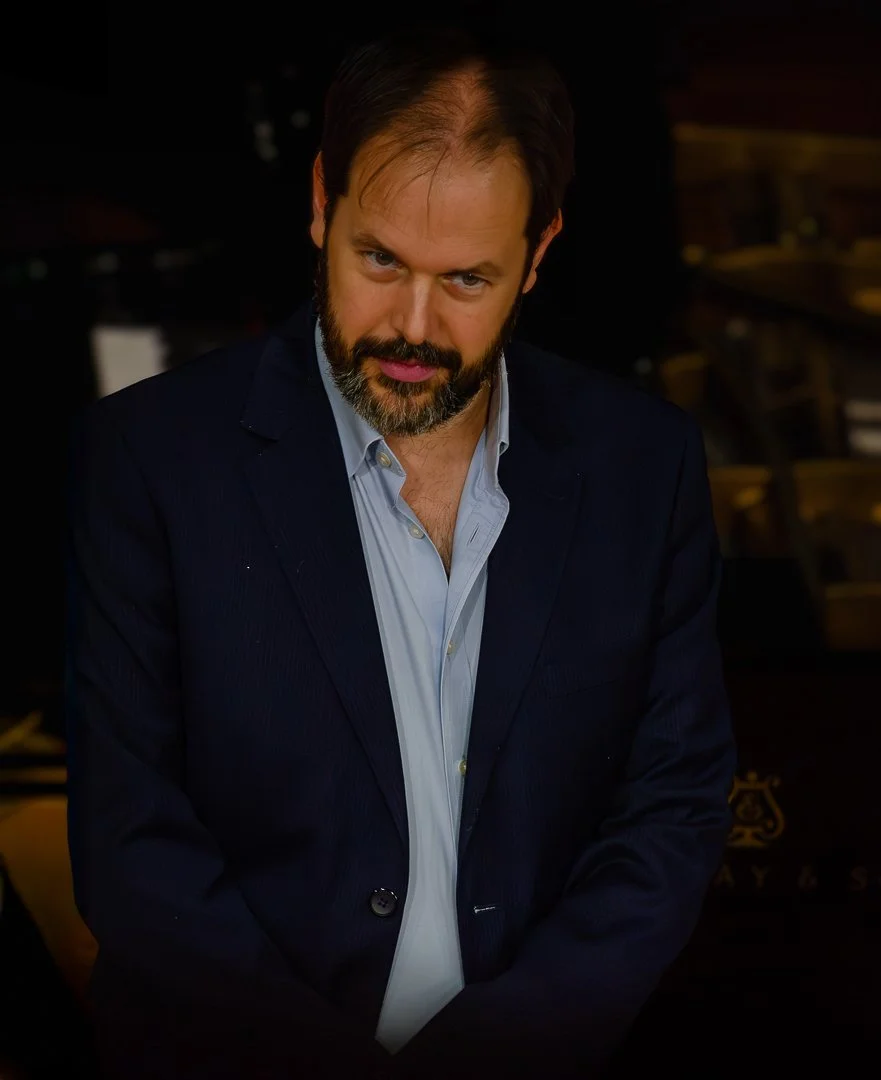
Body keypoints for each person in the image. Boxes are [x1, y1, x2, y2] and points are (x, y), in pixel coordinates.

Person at [64, 22, 736, 1080]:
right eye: (378, 259)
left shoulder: (641, 468)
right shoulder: (147, 459)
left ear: (539, 253)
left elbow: (671, 806)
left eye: (465, 280)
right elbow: (128, 845)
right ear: (322, 202)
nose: (410, 328)